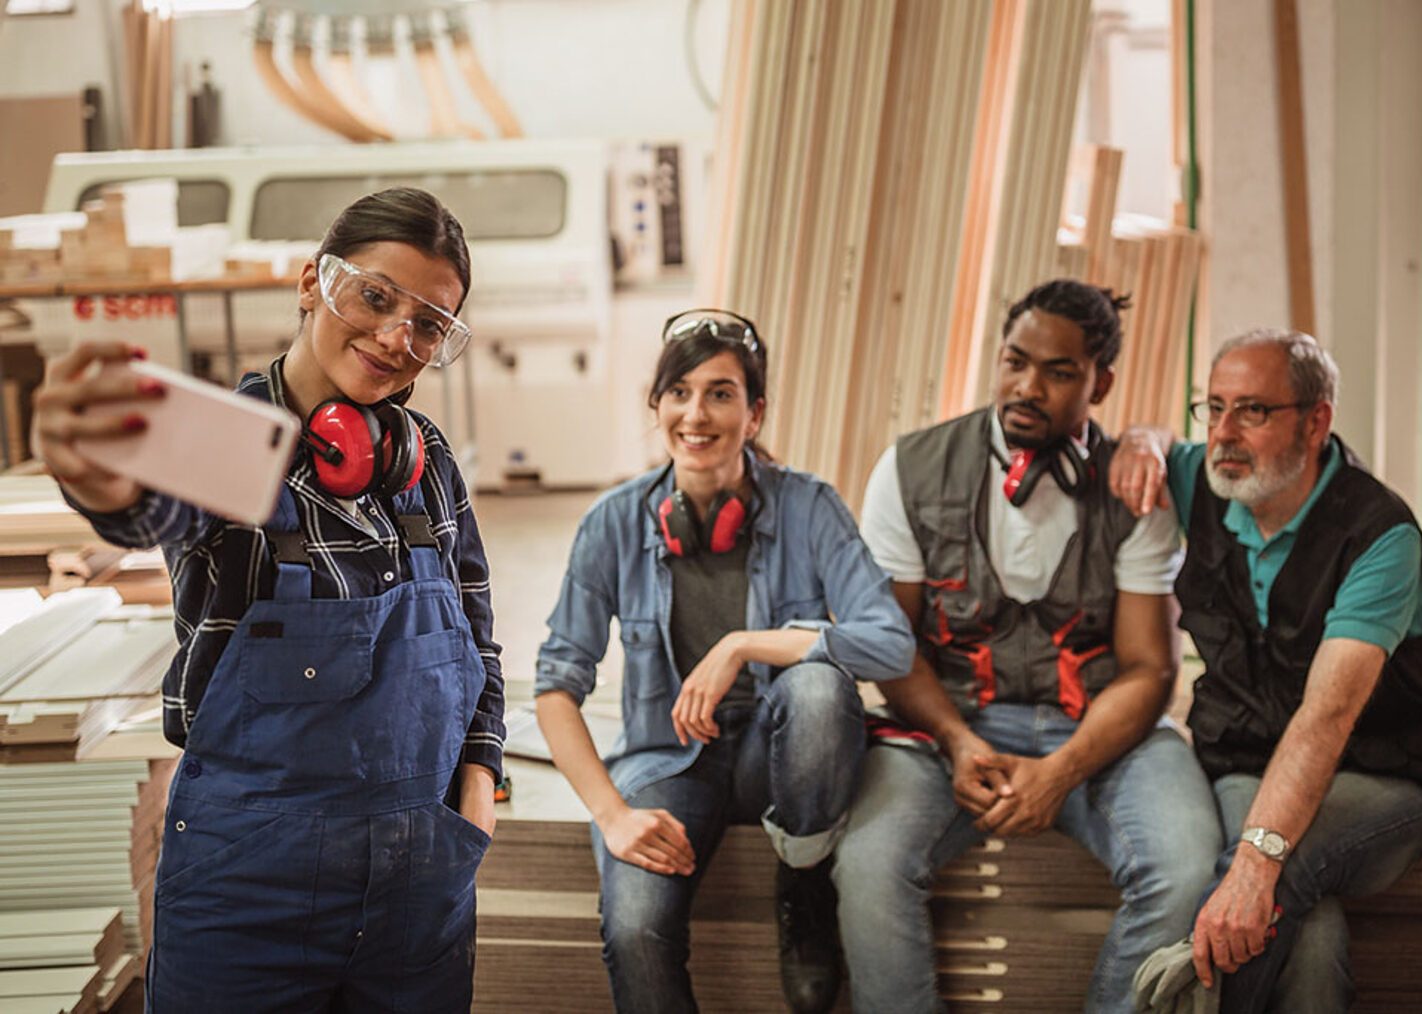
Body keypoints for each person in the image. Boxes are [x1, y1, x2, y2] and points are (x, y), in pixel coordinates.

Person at [31, 187, 504, 1012]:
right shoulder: (231, 440)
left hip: (417, 891)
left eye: (430, 323)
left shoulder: (426, 461)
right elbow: (142, 504)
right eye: (376, 297)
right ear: (312, 283)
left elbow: (479, 640)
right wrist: (90, 466)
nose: (398, 337)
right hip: (251, 891)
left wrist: (481, 779)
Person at [832, 278, 1222, 1013]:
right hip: (947, 721)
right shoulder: (912, 470)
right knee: (868, 861)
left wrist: (1062, 771)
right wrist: (954, 741)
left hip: (1098, 729)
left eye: (1059, 371)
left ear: (1100, 381)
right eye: (1015, 361)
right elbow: (892, 645)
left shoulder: (1133, 488)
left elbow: (1148, 667)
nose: (1027, 386)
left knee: (1187, 860)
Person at [534, 308, 914, 1014]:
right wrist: (613, 813)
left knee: (816, 691)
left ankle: (803, 877)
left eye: (721, 393)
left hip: (782, 758)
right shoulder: (613, 523)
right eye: (678, 392)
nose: (696, 414)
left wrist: (742, 644)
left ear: (755, 412)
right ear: (657, 406)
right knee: (635, 928)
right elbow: (555, 686)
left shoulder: (810, 507)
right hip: (665, 760)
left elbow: (890, 640)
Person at [1110, 327, 1422, 1014]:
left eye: (1252, 410)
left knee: (1273, 872)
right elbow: (1157, 439)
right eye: (1212, 408)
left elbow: (1326, 718)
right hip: (1248, 758)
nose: (1223, 434)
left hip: (1387, 772)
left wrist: (1254, 863)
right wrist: (1142, 441)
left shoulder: (1378, 534)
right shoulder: (1208, 478)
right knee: (1304, 923)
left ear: (1316, 421)